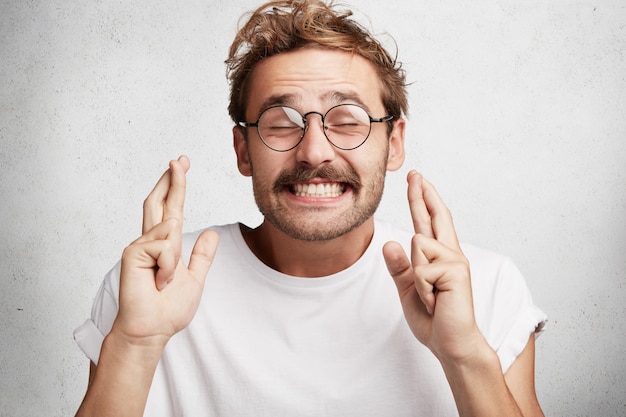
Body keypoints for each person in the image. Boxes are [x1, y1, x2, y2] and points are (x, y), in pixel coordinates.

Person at [74, 1, 547, 416]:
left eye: (347, 120)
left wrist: (465, 355)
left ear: (394, 142)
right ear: (242, 149)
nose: (315, 152)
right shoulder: (152, 286)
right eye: (281, 123)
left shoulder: (485, 288)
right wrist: (135, 346)